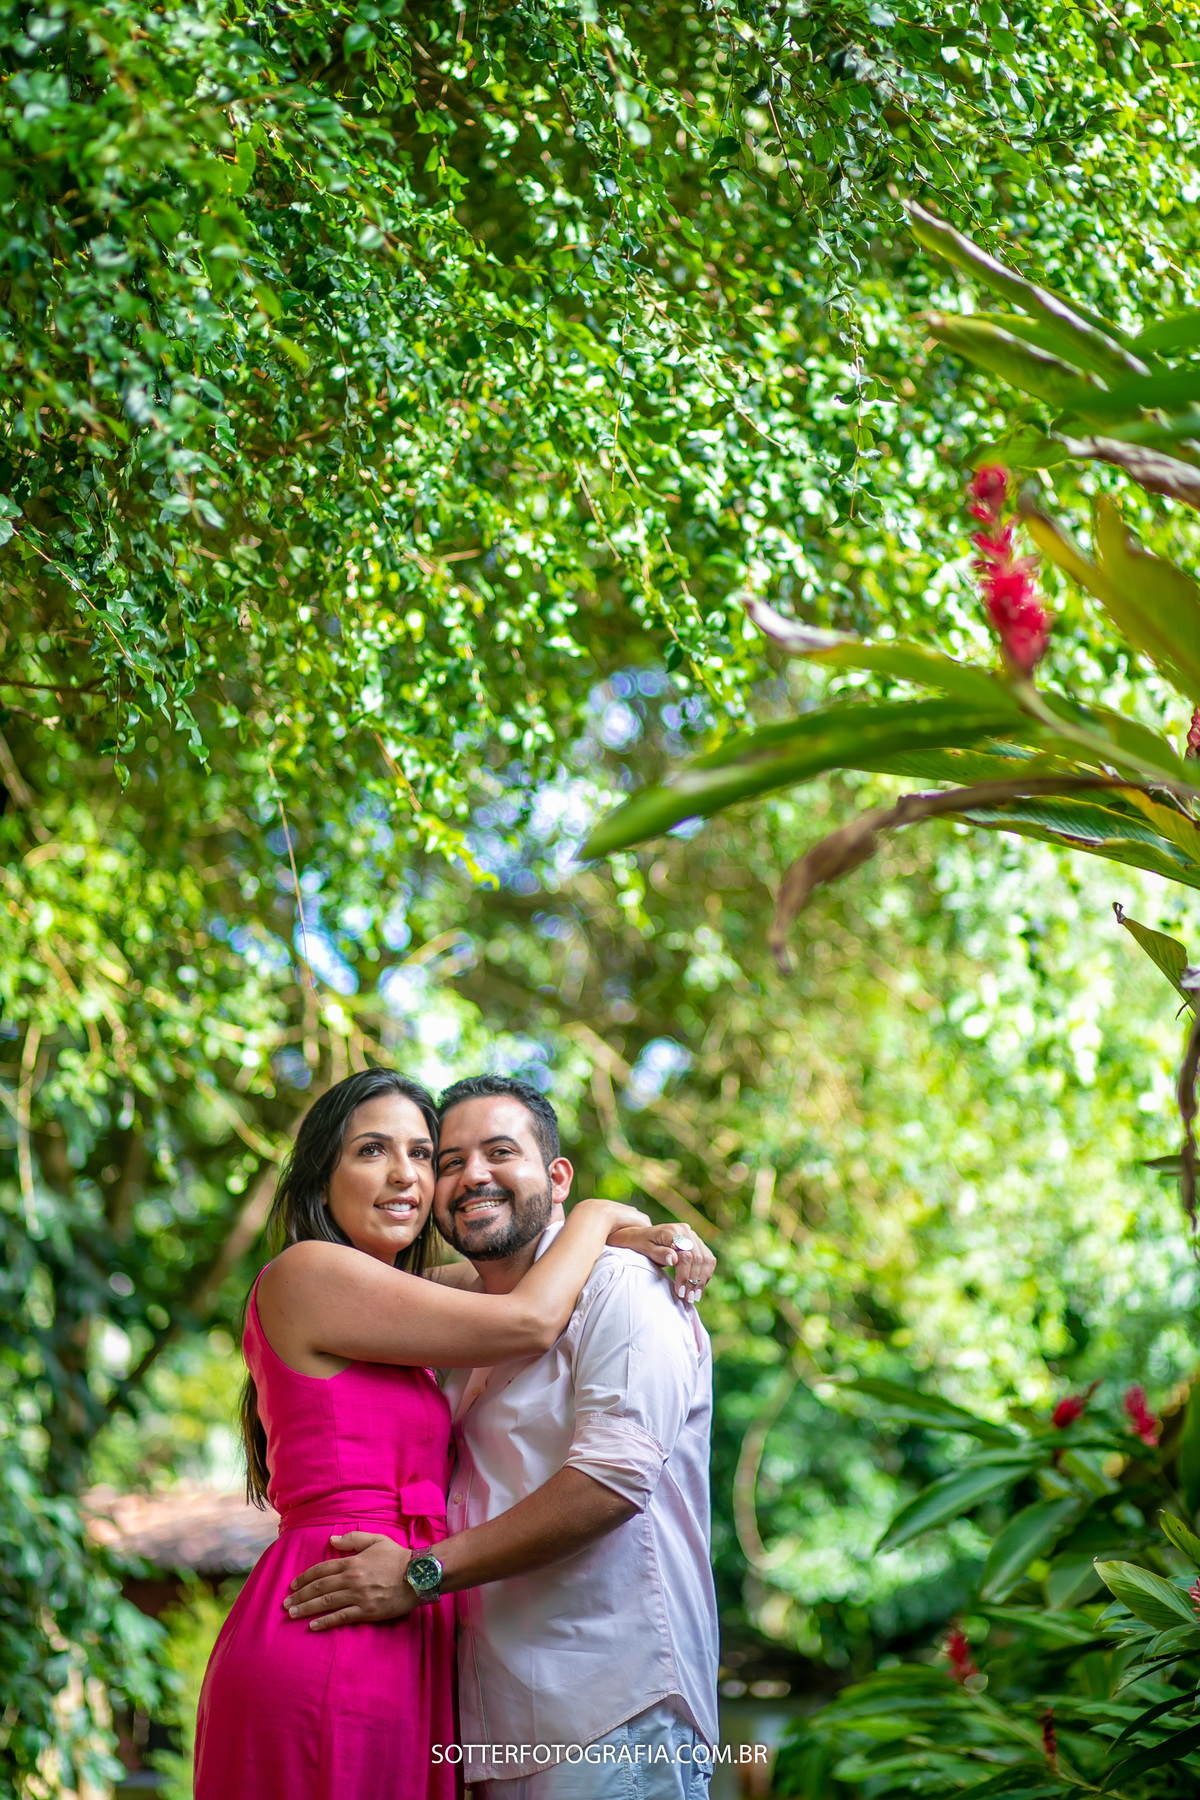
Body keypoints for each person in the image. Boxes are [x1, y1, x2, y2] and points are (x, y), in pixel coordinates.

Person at [193, 1067, 709, 1800]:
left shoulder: (414, 1298)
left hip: (413, 1623)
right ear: (321, 1178)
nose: (406, 1175)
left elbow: (511, 1271)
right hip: (338, 1601)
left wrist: (626, 1232)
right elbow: (527, 1317)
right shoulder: (308, 1272)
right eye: (372, 1151)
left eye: (419, 1154)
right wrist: (596, 1214)